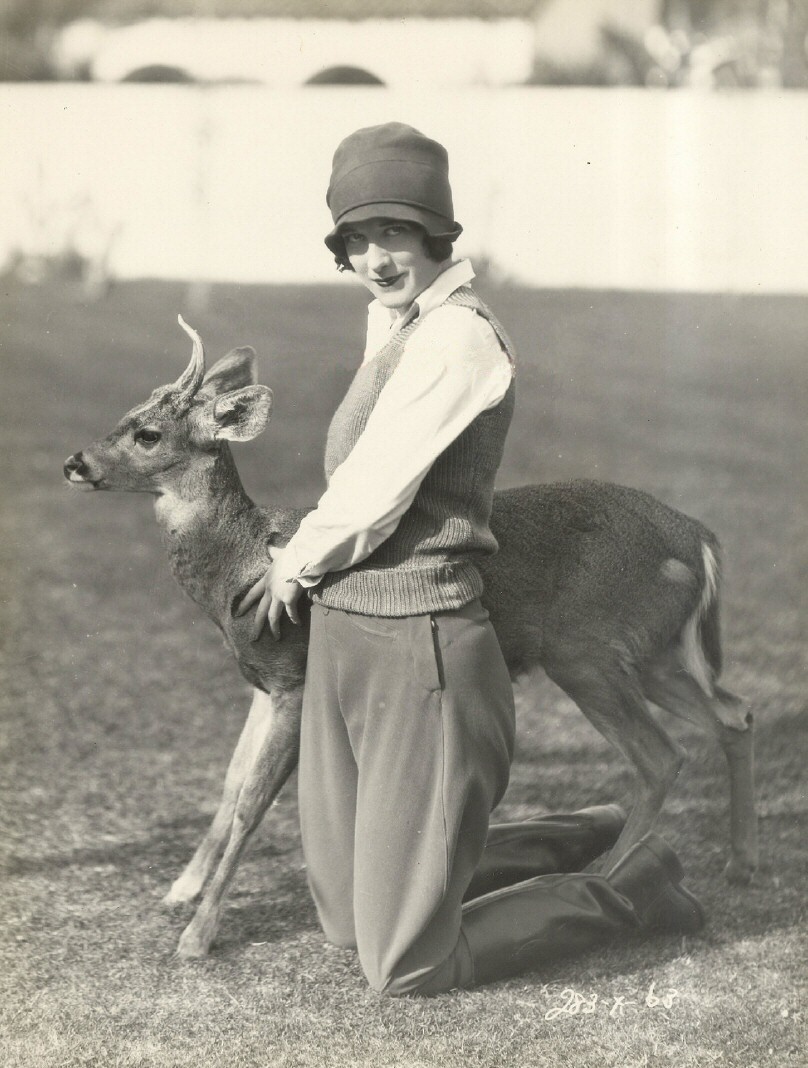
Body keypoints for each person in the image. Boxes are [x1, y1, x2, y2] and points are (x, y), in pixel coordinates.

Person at [239, 122, 705, 996]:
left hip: (424, 647)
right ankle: (578, 830)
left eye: (397, 232)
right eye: (358, 236)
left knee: (405, 965)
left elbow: (376, 487)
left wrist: (293, 563)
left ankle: (629, 888)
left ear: (436, 233)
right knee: (342, 920)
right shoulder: (397, 319)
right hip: (347, 638)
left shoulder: (460, 336)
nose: (377, 256)